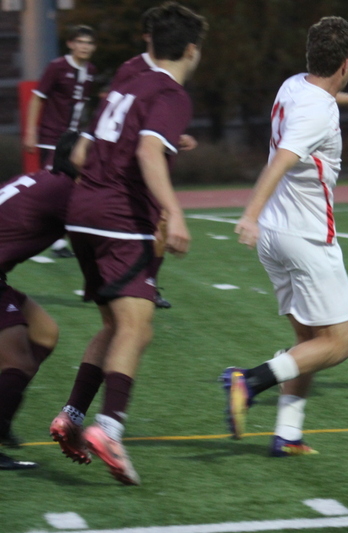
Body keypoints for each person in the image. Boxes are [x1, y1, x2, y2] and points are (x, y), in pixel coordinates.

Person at [49, 2, 207, 485]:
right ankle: (109, 428)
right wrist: (174, 212)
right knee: (137, 331)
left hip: (82, 212)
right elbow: (145, 149)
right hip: (121, 217)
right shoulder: (172, 91)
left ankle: (72, 417)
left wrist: (168, 137)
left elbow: (120, 130)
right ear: (193, 50)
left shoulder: (130, 70)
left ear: (148, 42)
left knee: (116, 325)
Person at [219, 16, 348, 456]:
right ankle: (247, 381)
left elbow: (323, 93)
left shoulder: (294, 85)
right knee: (338, 344)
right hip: (305, 237)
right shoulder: (318, 111)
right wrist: (247, 214)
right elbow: (282, 160)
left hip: (276, 234)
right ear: (346, 63)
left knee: (310, 343)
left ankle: (288, 434)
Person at [70, 7, 197, 310]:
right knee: (132, 330)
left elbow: (135, 124)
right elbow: (131, 134)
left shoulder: (156, 74)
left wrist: (172, 137)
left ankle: (147, 283)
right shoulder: (136, 71)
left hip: (100, 191)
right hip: (119, 189)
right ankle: (141, 285)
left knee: (160, 219)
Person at [0, 132, 80, 470]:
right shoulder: (65, 192)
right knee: (18, 361)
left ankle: (2, 418)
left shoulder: (47, 179)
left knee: (44, 333)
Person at [23, 25, 96, 259]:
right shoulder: (57, 67)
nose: (85, 46)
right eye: (80, 41)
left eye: (89, 43)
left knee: (73, 186)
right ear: (71, 44)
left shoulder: (91, 71)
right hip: (52, 137)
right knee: (53, 186)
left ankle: (61, 237)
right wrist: (31, 131)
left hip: (73, 138)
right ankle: (46, 237)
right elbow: (38, 99)